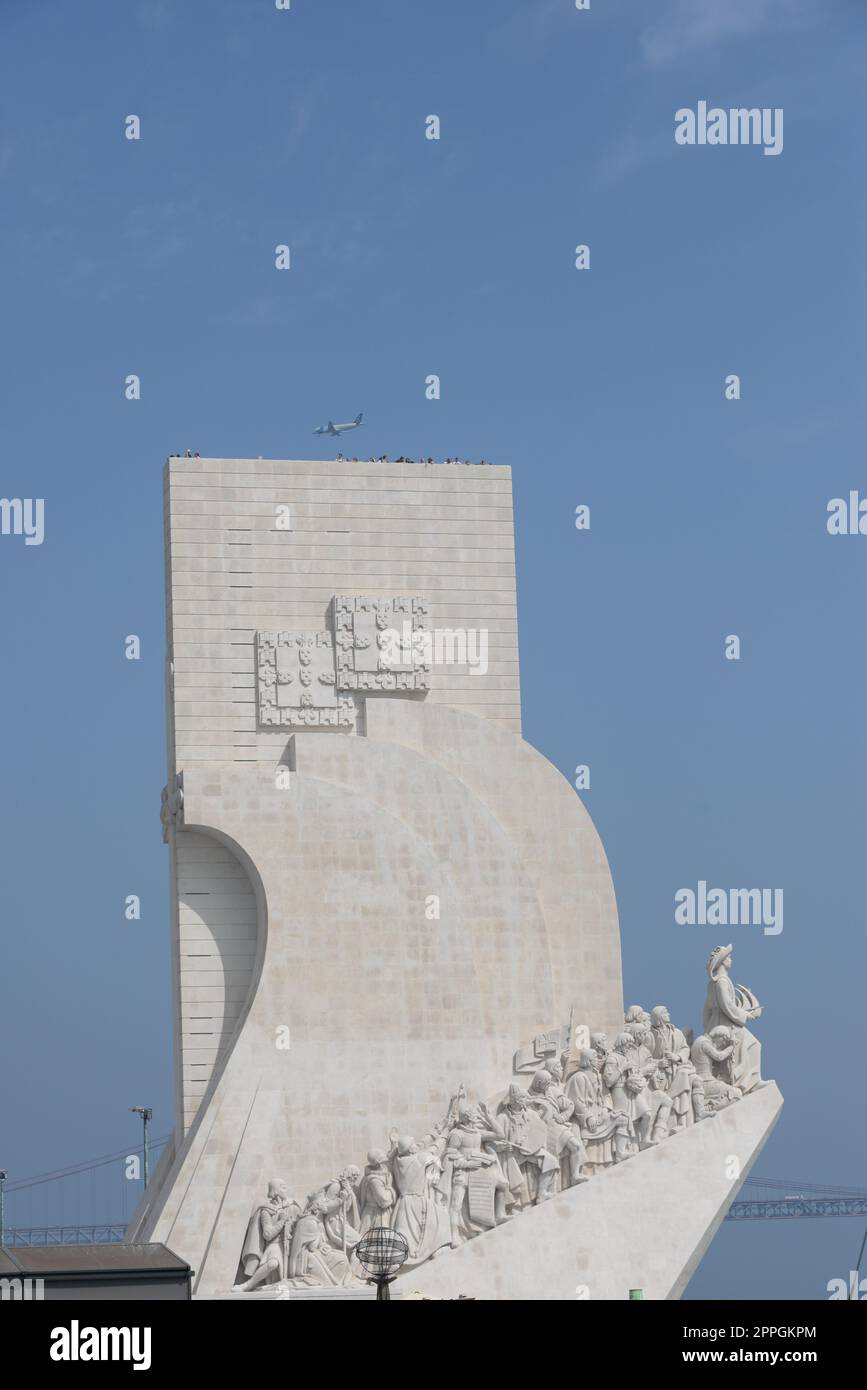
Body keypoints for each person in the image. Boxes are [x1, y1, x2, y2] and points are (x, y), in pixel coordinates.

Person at [703, 945, 763, 1093]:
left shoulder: (714, 982)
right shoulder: (722, 981)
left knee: (747, 1046)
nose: (731, 960)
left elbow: (707, 1010)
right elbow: (727, 1005)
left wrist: (708, 1026)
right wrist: (747, 1016)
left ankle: (745, 1080)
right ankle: (746, 1082)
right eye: (728, 957)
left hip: (719, 1022)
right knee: (753, 1044)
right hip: (725, 1023)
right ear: (722, 961)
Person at [233, 1178, 300, 1291]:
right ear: (276, 1191)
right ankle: (248, 1285)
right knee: (273, 1263)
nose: (286, 1190)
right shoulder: (267, 1210)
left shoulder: (293, 1206)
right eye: (283, 1187)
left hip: (291, 1244)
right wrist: (282, 1221)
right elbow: (268, 1234)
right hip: (275, 1244)